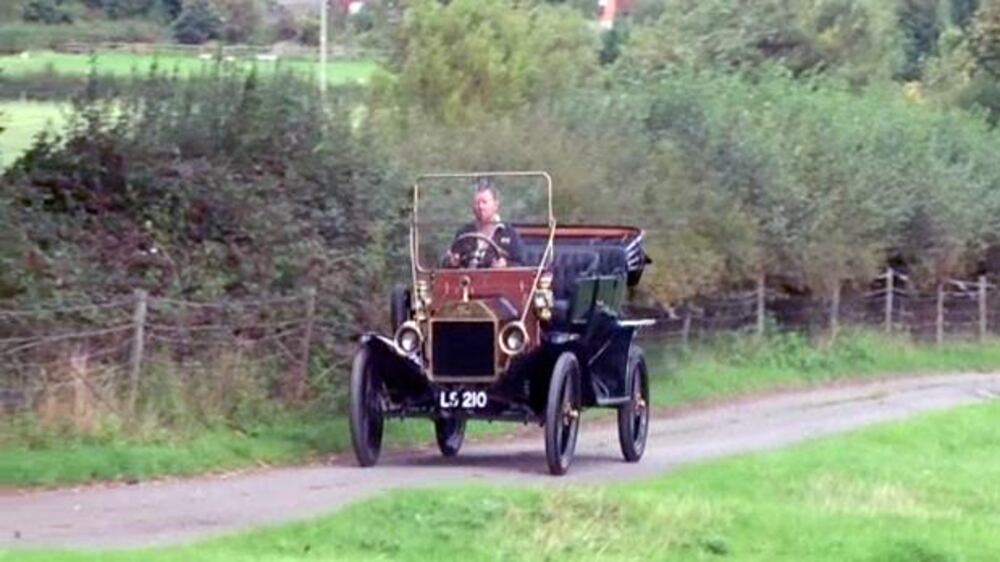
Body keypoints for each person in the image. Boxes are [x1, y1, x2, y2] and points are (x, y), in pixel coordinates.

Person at [445, 178, 525, 268]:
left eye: (484, 202)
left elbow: (521, 266)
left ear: (495, 205)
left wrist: (505, 265)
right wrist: (451, 262)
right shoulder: (463, 233)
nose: (480, 207)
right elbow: (448, 265)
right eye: (477, 203)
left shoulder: (510, 234)